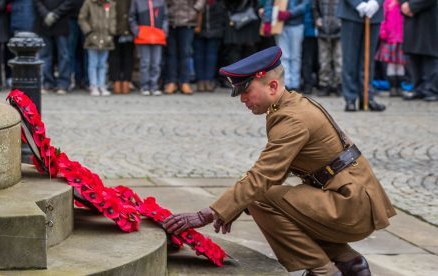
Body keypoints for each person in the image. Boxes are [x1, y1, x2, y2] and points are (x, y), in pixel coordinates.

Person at [163, 46, 396, 276]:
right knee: (264, 197)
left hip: (351, 205)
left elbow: (263, 176)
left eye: (246, 90)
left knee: (261, 198)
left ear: (272, 85)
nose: (242, 98)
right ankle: (348, 262)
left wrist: (207, 214)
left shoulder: (292, 119)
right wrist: (232, 207)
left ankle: (323, 271)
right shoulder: (289, 105)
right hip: (351, 197)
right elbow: (275, 171)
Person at [158, 0, 207, 95]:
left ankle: (184, 82)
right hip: (169, 19)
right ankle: (172, 82)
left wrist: (195, 9)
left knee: (185, 52)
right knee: (170, 53)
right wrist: (163, 12)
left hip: (188, 20)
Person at [263, 0, 311, 91]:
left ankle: (295, 83)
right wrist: (267, 21)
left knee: (296, 55)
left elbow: (305, 4)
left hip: (297, 24)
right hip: (280, 24)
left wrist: (290, 13)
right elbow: (270, 2)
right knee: (284, 56)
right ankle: (286, 83)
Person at [399, 0, 438, 101]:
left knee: (430, 55)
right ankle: (417, 87)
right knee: (413, 54)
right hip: (412, 20)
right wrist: (403, 4)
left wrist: (412, 6)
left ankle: (431, 89)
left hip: (430, 20)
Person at [33, 0, 76, 95]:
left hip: (61, 22)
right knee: (45, 55)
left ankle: (63, 84)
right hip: (44, 22)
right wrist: (46, 14)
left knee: (64, 54)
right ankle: (47, 83)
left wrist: (56, 14)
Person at [101, 0, 142, 94]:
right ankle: (116, 80)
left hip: (130, 15)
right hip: (113, 15)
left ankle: (127, 81)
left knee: (129, 52)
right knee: (114, 52)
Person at [129, 0, 169, 95]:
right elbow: (132, 17)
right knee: (145, 62)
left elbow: (165, 17)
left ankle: (154, 85)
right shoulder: (137, 0)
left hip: (158, 36)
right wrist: (137, 31)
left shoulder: (161, 0)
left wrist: (164, 31)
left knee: (156, 63)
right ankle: (145, 86)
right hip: (143, 36)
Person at [78, 0, 117, 96]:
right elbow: (82, 18)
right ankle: (93, 85)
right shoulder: (88, 3)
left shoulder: (110, 4)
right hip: (92, 38)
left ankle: (102, 85)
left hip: (106, 38)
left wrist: (111, 31)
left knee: (103, 64)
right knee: (93, 63)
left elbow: (113, 18)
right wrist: (89, 32)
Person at [195, 0, 227, 92]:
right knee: (198, 54)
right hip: (199, 25)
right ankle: (200, 80)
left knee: (211, 55)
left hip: (215, 24)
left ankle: (209, 80)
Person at [314, 0, 343, 96]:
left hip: (339, 29)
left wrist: (342, 21)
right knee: (324, 59)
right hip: (323, 29)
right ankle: (324, 84)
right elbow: (314, 7)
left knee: (339, 59)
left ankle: (339, 84)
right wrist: (317, 19)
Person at [376, 0, 406, 97]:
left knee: (400, 64)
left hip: (402, 38)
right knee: (391, 64)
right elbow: (383, 18)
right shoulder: (388, 1)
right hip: (390, 37)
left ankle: (399, 86)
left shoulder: (405, 2)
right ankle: (392, 87)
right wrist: (382, 31)